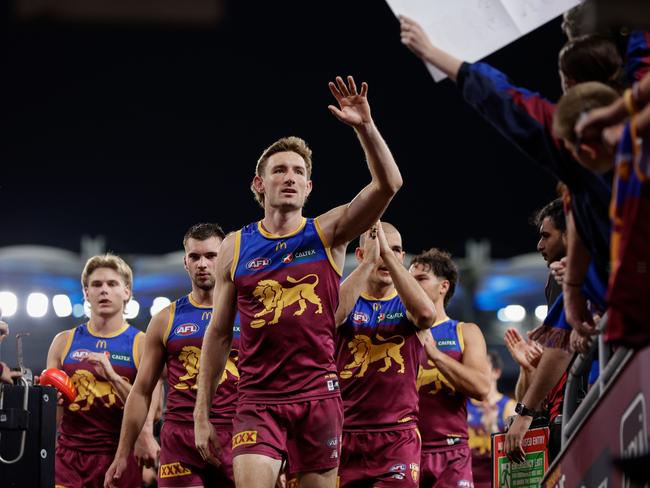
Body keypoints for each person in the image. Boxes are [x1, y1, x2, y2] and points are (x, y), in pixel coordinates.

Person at [193, 75, 403, 488]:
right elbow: (217, 335)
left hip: (318, 398)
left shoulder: (328, 232)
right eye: (279, 170)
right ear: (260, 184)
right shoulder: (235, 247)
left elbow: (389, 184)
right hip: (257, 400)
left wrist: (365, 127)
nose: (289, 176)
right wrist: (202, 413)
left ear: (308, 187)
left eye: (298, 171)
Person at [104, 223, 239, 488]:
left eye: (211, 256)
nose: (202, 264)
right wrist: (122, 454)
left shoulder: (247, 312)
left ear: (224, 257)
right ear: (185, 262)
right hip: (181, 438)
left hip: (237, 432)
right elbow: (141, 391)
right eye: (195, 256)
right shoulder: (166, 319)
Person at [334, 222, 436, 487]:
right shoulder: (347, 298)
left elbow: (426, 316)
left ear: (402, 257)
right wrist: (368, 263)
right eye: (378, 249)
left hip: (397, 437)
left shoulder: (410, 303)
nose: (385, 256)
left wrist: (388, 258)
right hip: (344, 434)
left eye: (395, 250)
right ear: (360, 255)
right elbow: (330, 316)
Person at [46, 254, 159, 488]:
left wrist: (113, 377)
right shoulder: (63, 342)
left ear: (127, 291)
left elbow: (152, 409)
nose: (104, 291)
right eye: (96, 285)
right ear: (86, 293)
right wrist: (48, 400)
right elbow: (52, 417)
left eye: (112, 284)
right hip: (69, 458)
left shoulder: (143, 344)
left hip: (119, 457)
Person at [409, 248, 490, 488]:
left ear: (443, 286)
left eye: (421, 279)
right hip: (401, 450)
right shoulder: (395, 332)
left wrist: (436, 356)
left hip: (450, 453)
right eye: (409, 280)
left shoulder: (465, 332)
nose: (411, 285)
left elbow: (481, 388)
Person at [467, 351, 516, 488]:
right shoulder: (463, 405)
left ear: (496, 372)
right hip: (466, 479)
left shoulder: (510, 407)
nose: (477, 372)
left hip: (496, 482)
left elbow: (515, 455)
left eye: (482, 367)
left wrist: (492, 429)